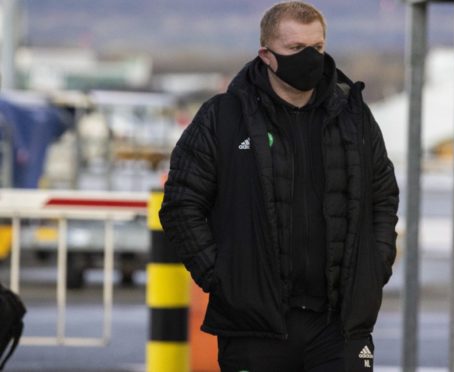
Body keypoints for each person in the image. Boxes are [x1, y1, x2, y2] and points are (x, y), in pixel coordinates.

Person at [159, 2, 399, 371]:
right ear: (266, 55)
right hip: (255, 328)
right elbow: (180, 205)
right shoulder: (223, 117)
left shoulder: (353, 116)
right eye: (295, 50)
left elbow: (383, 197)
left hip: (338, 326)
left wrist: (375, 266)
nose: (310, 59)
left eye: (317, 48)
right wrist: (224, 279)